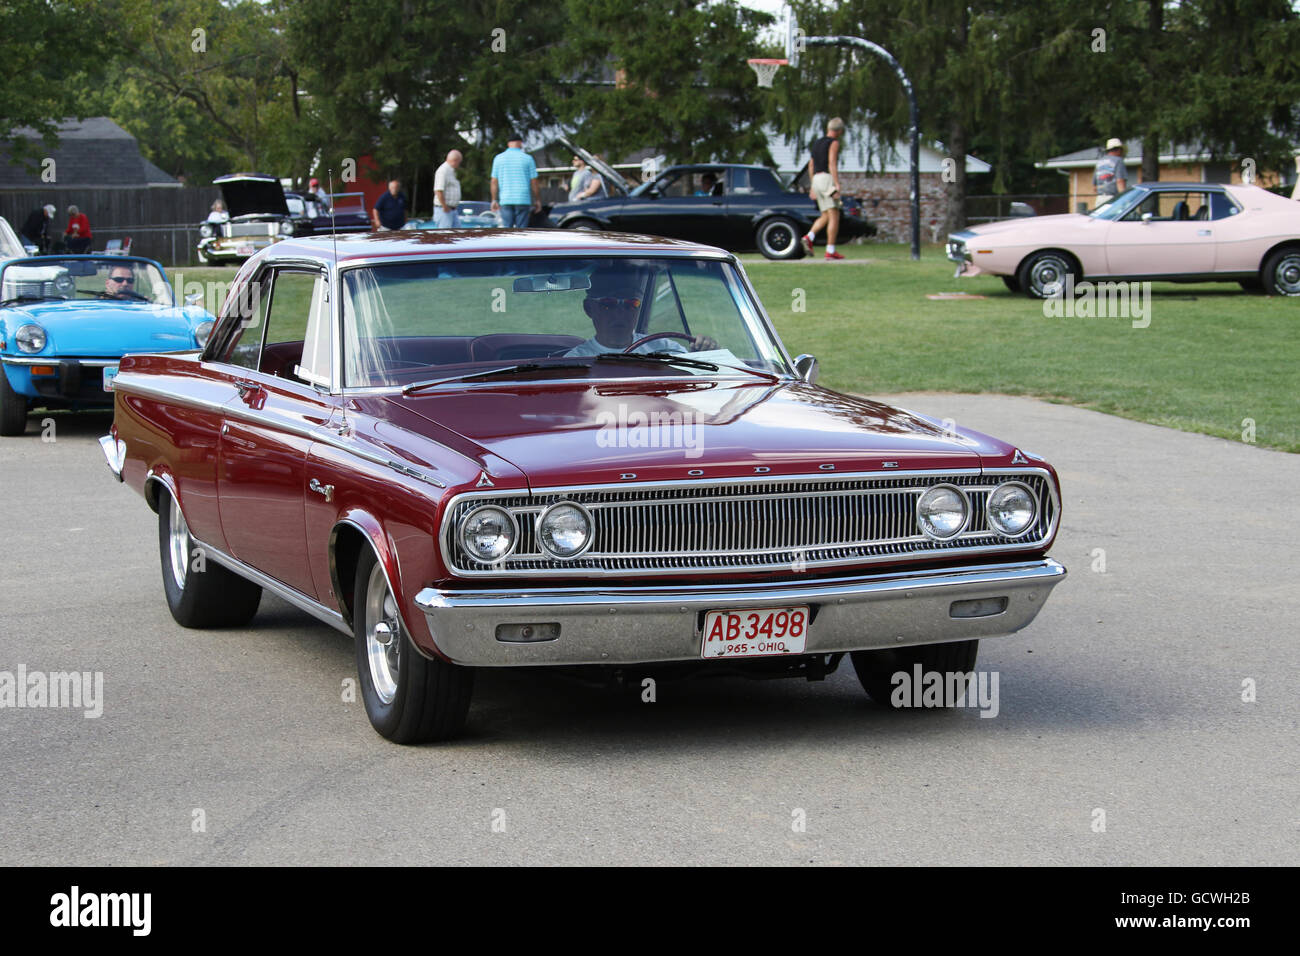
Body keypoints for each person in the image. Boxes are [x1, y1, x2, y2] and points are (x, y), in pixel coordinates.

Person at [565, 268, 716, 357]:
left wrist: (709, 354)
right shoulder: (575, 361)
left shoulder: (665, 350)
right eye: (608, 305)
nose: (620, 314)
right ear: (589, 308)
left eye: (631, 304)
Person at [802, 118, 845, 260]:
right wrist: (836, 184)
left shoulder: (817, 143)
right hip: (827, 179)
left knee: (825, 214)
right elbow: (832, 163)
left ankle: (809, 236)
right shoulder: (834, 143)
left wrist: (812, 186)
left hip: (816, 179)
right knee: (834, 214)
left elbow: (811, 165)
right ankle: (830, 250)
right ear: (839, 131)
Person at [490, 134, 540, 227]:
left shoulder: (498, 158)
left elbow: (494, 181)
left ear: (508, 144)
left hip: (505, 199)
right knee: (521, 231)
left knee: (507, 230)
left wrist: (494, 199)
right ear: (520, 143)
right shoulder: (528, 158)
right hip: (523, 199)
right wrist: (537, 200)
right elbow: (534, 182)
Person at [1094, 138, 1130, 206]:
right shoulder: (1118, 161)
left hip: (1099, 199)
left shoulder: (1099, 162)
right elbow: (1120, 181)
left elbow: (1094, 187)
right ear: (1118, 149)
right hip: (1113, 199)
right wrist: (1125, 200)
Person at [433, 150, 463, 227]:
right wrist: (444, 206)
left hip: (452, 209)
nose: (459, 165)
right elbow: (438, 190)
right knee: (445, 236)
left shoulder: (452, 171)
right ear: (455, 160)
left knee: (457, 234)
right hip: (444, 210)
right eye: (459, 162)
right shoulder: (443, 171)